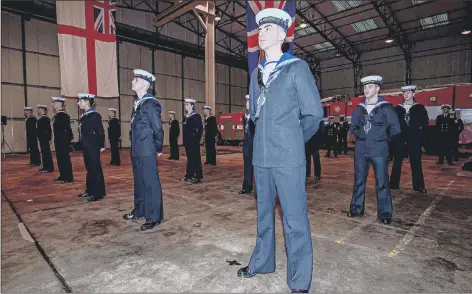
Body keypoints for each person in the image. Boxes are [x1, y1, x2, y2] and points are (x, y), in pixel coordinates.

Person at [237, 8, 324, 293]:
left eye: (267, 29)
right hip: (261, 158)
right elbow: (253, 116)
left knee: (294, 220)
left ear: (282, 34)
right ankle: (262, 262)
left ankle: (299, 281)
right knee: (264, 215)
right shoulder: (256, 73)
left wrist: (293, 142)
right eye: (259, 29)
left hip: (288, 158)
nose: (260, 33)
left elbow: (313, 114)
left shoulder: (296, 67)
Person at [347, 75, 400, 225]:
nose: (366, 89)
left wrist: (382, 139)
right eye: (364, 87)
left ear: (377, 88)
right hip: (361, 149)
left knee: (382, 181)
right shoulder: (359, 108)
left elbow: (395, 129)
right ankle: (356, 208)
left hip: (379, 149)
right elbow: (353, 126)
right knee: (359, 180)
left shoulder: (386, 107)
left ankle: (384, 213)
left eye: (370, 87)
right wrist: (361, 136)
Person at [123, 69, 164, 232]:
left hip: (147, 150)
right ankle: (140, 210)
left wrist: (158, 148)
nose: (132, 82)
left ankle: (154, 217)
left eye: (136, 79)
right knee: (139, 182)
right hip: (137, 150)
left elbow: (158, 129)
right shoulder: (139, 104)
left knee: (150, 183)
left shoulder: (151, 104)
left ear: (144, 84)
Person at [389, 85, 428, 194]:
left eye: (408, 93)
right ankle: (393, 184)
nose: (406, 95)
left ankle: (418, 186)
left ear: (414, 94)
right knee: (397, 162)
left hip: (414, 140)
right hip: (400, 140)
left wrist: (422, 140)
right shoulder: (397, 109)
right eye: (404, 93)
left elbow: (425, 125)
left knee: (416, 163)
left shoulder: (420, 108)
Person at [76, 93, 106, 202]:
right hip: (87, 146)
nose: (78, 103)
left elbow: (100, 131)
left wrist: (101, 145)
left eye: (80, 101)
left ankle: (98, 193)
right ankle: (90, 190)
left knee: (95, 168)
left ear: (87, 102)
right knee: (89, 169)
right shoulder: (85, 116)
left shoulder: (94, 115)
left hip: (93, 146)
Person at [51, 97, 74, 183]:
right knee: (60, 158)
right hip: (59, 140)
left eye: (54, 103)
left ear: (59, 104)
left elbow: (66, 129)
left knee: (64, 158)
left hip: (63, 141)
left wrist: (67, 141)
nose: (53, 105)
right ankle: (63, 175)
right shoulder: (58, 115)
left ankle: (68, 177)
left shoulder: (63, 115)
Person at [181, 98, 203, 184]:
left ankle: (197, 176)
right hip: (187, 142)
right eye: (185, 104)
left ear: (192, 106)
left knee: (195, 158)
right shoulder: (186, 117)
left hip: (194, 141)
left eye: (187, 104)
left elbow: (200, 129)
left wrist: (196, 139)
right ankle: (189, 175)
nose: (186, 106)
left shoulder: (196, 116)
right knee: (189, 159)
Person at [240, 94, 255, 194]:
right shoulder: (244, 116)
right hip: (247, 143)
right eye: (246, 101)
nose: (246, 104)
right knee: (247, 165)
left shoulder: (256, 117)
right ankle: (247, 186)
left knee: (257, 167)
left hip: (255, 143)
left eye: (249, 101)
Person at [36, 105, 54, 173]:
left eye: (39, 109)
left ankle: (49, 167)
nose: (38, 111)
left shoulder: (45, 118)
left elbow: (48, 129)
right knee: (44, 153)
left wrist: (49, 138)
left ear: (43, 110)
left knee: (46, 153)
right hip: (42, 137)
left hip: (44, 138)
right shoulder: (41, 118)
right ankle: (45, 166)